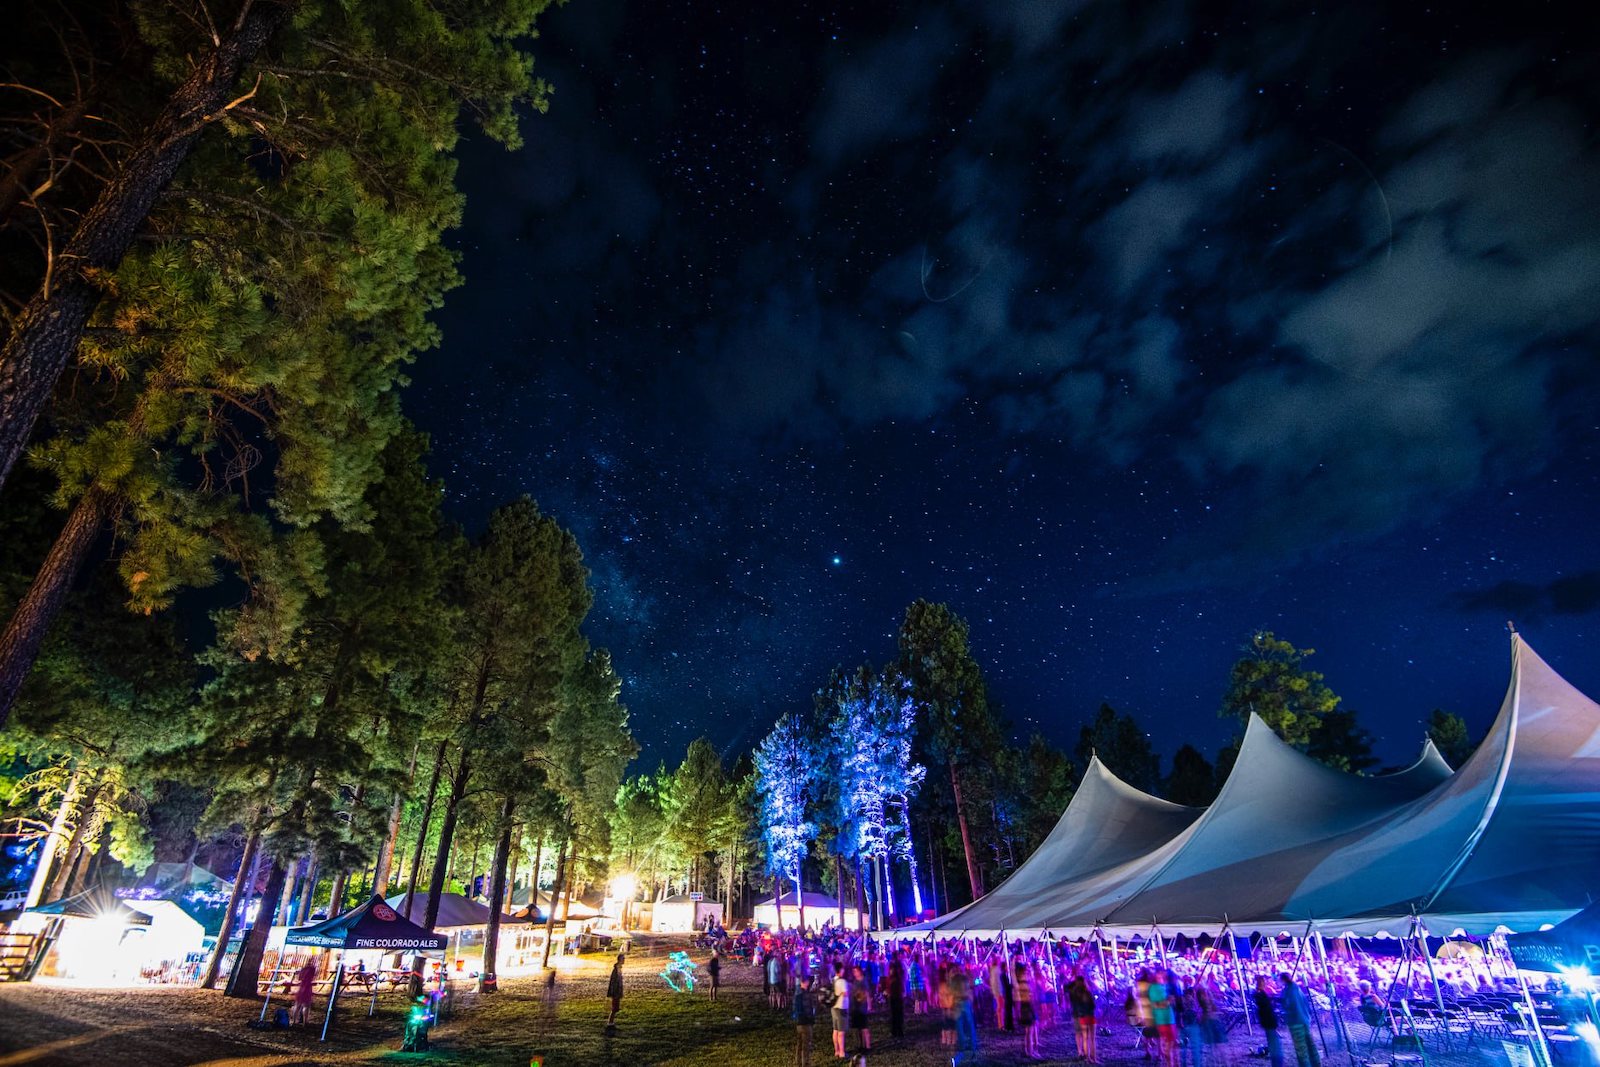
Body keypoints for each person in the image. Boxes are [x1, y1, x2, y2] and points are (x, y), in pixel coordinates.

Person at [1279, 972, 1321, 1067]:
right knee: (1311, 1046)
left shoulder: (1288, 992)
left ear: (1283, 980)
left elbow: (1287, 1006)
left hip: (1295, 1022)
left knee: (1301, 1049)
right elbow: (1306, 1004)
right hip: (1305, 1020)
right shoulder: (1298, 989)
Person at [1070, 974, 1100, 1063]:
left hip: (1081, 1016)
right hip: (1090, 1016)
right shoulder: (1087, 992)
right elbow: (1092, 1005)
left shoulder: (1074, 994)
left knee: (1085, 1038)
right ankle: (1094, 1058)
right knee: (1092, 1038)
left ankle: (1088, 1058)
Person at [1255, 975, 1284, 1067]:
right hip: (1267, 1019)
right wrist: (1271, 1002)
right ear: (1261, 982)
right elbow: (1263, 1006)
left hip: (1268, 1018)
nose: (1266, 982)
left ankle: (1276, 1060)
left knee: (1273, 1038)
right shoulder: (1259, 993)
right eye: (1264, 981)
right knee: (1273, 1040)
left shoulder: (1261, 993)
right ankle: (1276, 1061)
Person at [1016, 959, 1041, 1059]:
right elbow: (1027, 995)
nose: (1028, 972)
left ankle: (1029, 1050)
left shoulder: (1024, 982)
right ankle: (1029, 1051)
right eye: (1026, 971)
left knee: (1029, 1030)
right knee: (1029, 1030)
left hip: (1028, 1006)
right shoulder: (1023, 983)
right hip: (1026, 1006)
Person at [792, 973, 818, 1067]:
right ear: (806, 982)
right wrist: (811, 1020)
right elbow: (808, 1010)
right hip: (806, 1023)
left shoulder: (797, 993)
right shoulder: (805, 994)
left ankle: (798, 1062)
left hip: (798, 1022)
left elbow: (794, 1008)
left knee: (799, 1044)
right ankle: (805, 1064)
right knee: (806, 1046)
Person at [848, 963, 872, 1062]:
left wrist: (869, 1005)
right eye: (853, 971)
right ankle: (859, 1046)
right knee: (857, 1028)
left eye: (856, 971)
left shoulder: (863, 981)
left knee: (864, 1028)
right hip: (855, 1008)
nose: (855, 973)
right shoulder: (855, 981)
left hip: (862, 1008)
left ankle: (867, 1046)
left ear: (860, 971)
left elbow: (867, 993)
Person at [831, 963, 851, 1059]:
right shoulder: (842, 981)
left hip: (834, 1007)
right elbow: (846, 993)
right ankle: (842, 1052)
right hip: (841, 1007)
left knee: (835, 1030)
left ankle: (836, 1051)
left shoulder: (833, 980)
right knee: (841, 1032)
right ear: (841, 970)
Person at [291, 958, 317, 1026]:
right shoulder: (312, 969)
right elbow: (313, 977)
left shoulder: (303, 969)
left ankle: (294, 1021)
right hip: (308, 987)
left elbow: (299, 978)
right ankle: (305, 1022)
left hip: (301, 987)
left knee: (297, 1005)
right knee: (306, 1005)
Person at [888, 951, 907, 1038]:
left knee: (896, 1013)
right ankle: (897, 1030)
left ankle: (896, 1030)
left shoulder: (896, 965)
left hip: (895, 992)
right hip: (896, 992)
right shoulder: (896, 966)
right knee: (897, 1013)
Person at [606, 952, 625, 1026]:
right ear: (619, 959)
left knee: (616, 1008)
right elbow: (614, 981)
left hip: (617, 991)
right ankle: (610, 1022)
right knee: (614, 1008)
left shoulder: (619, 968)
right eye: (623, 959)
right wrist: (614, 992)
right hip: (615, 992)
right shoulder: (616, 969)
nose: (624, 960)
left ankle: (611, 1022)